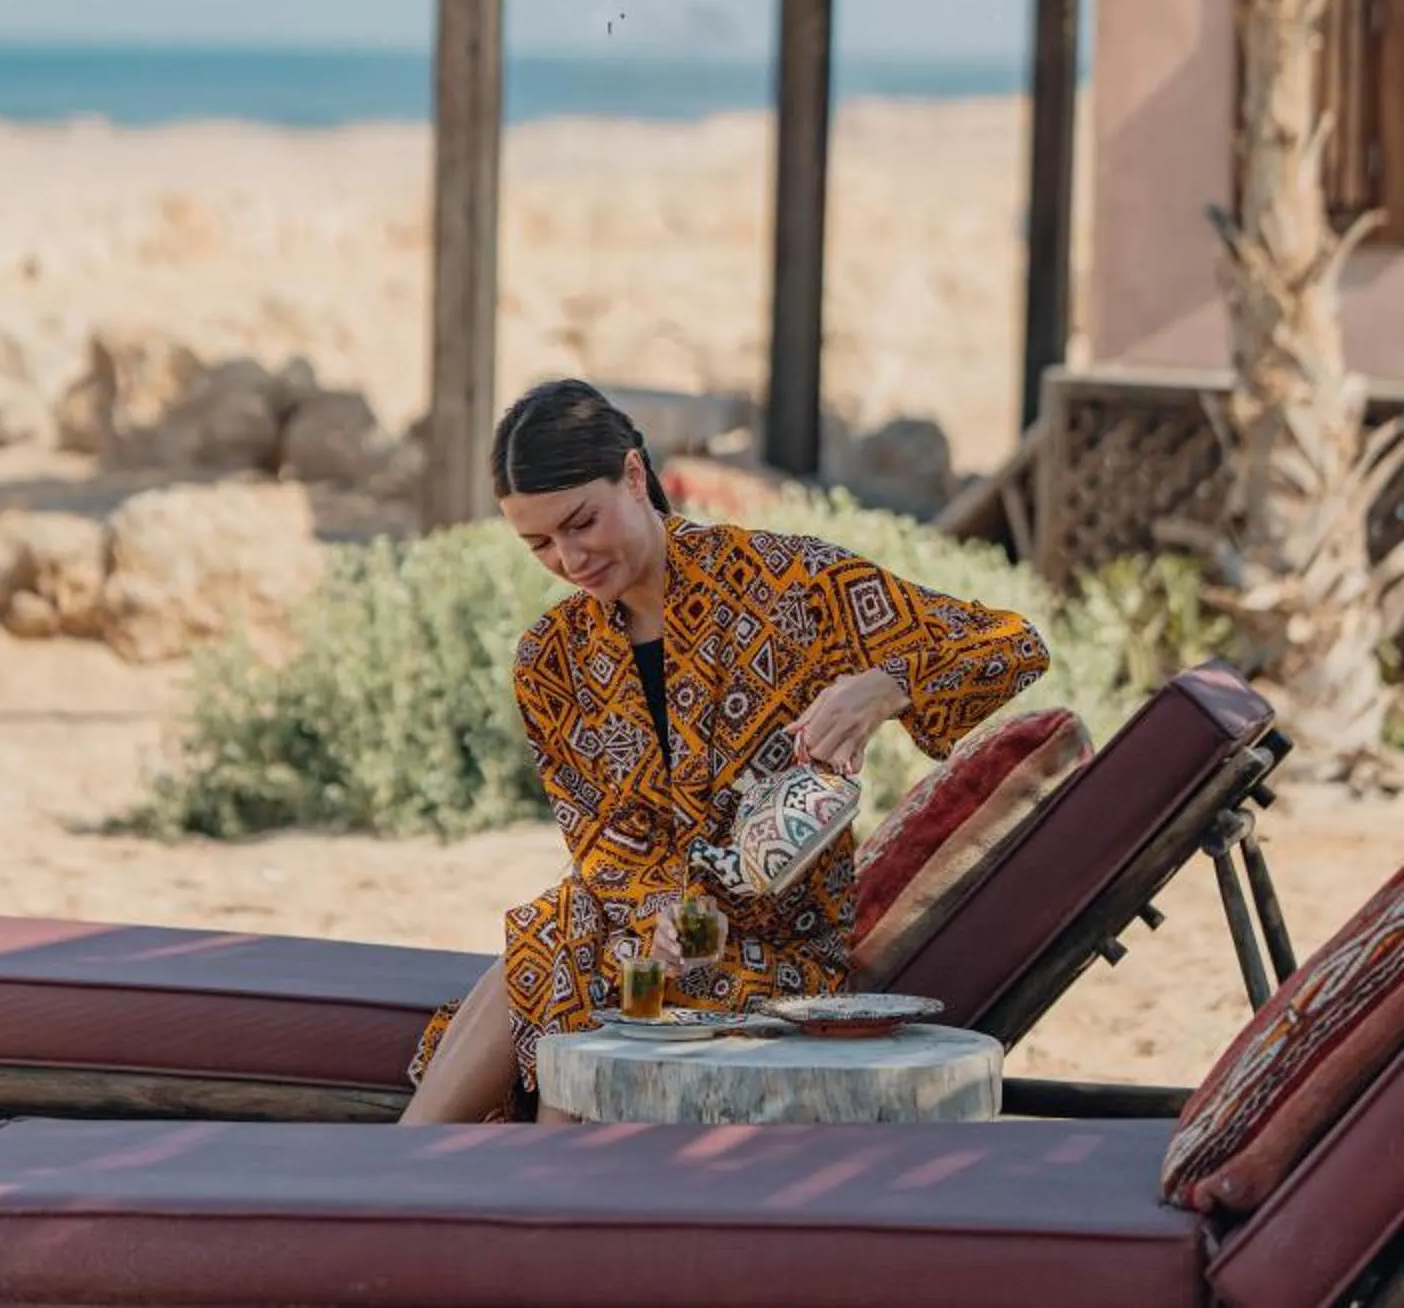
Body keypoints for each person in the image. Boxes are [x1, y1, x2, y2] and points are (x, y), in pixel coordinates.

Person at [401, 377, 1049, 1124]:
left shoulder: (790, 585)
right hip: (646, 937)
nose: (569, 558)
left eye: (581, 522)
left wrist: (885, 684)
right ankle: (463, 1188)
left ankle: (414, 1182)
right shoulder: (552, 658)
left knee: (562, 948)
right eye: (539, 543)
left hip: (777, 959)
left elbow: (1010, 645)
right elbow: (601, 842)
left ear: (636, 475)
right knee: (569, 933)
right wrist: (658, 910)